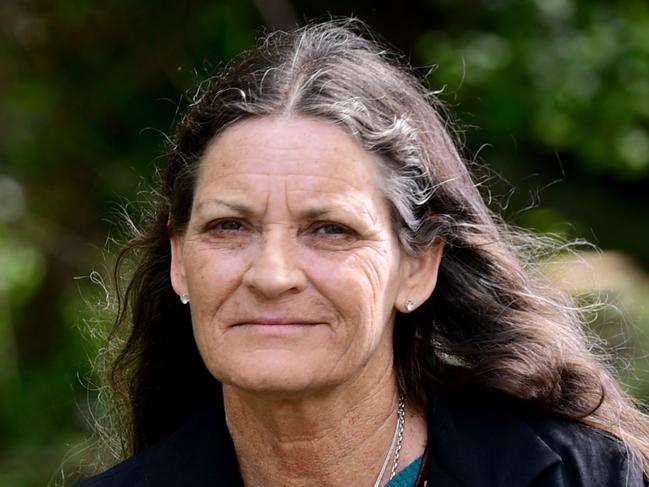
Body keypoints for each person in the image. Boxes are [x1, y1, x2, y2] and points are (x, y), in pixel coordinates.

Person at [71, 18, 649, 486]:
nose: (272, 275)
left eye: (330, 230)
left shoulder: (574, 475)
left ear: (418, 267)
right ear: (179, 259)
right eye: (230, 226)